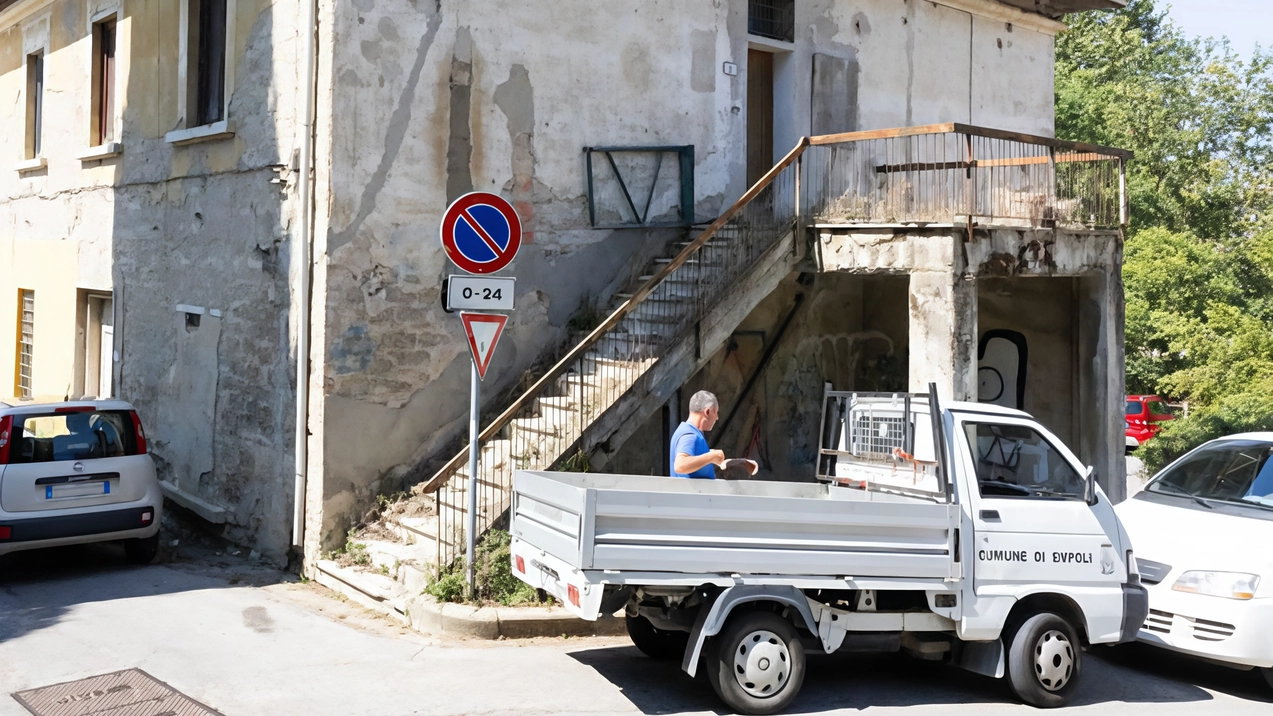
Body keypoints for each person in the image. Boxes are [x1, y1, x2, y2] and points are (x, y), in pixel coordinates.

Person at [669, 390, 757, 479]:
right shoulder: (689, 435)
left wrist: (711, 456)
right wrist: (711, 456)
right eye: (716, 412)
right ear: (707, 412)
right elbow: (680, 465)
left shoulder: (690, 432)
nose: (717, 418)